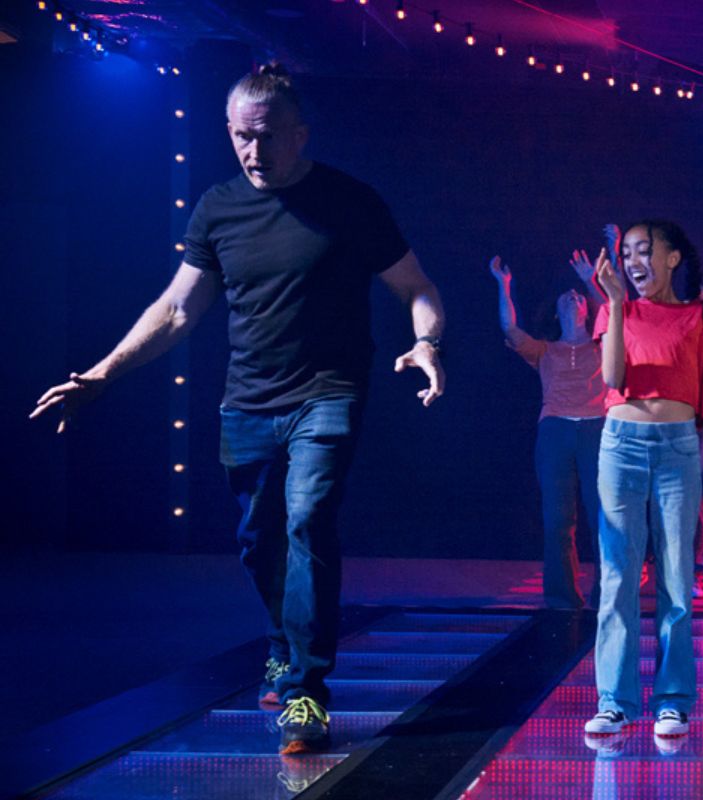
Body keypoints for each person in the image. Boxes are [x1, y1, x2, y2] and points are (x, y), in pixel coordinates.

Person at [30, 64, 446, 754]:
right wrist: (104, 373)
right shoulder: (217, 208)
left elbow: (417, 286)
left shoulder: (350, 201)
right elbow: (176, 309)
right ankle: (283, 644)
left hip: (329, 392)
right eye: (240, 137)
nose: (254, 151)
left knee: (309, 519)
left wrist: (426, 341)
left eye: (267, 137)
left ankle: (307, 692)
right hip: (248, 400)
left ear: (299, 134)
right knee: (258, 540)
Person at [583, 220, 703, 738]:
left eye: (644, 251)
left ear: (672, 258)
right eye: (627, 253)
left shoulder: (701, 313)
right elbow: (613, 378)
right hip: (621, 447)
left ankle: (672, 701)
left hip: (678, 448)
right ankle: (615, 701)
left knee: (677, 578)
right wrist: (613, 302)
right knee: (618, 577)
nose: (633, 262)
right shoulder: (616, 310)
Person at [489, 255, 606, 608]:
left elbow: (613, 313)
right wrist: (503, 285)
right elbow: (510, 328)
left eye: (579, 296)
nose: (573, 297)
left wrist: (591, 282)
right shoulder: (545, 350)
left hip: (596, 429)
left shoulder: (603, 345)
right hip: (555, 430)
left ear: (587, 309)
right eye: (566, 296)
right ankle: (562, 599)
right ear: (556, 312)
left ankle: (608, 595)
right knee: (557, 517)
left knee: (603, 516)